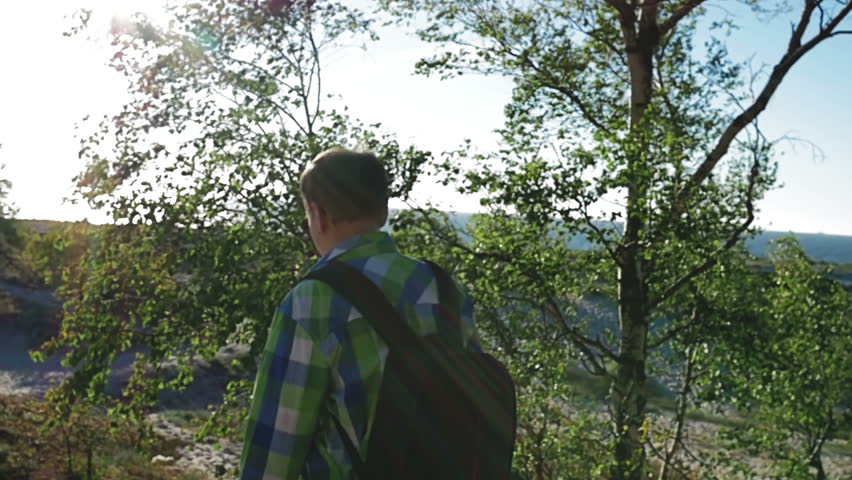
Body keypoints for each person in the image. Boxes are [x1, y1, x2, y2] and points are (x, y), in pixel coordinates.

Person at [239, 147, 481, 480]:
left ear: (318, 215)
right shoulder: (443, 289)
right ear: (382, 212)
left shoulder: (312, 301)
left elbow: (275, 447)